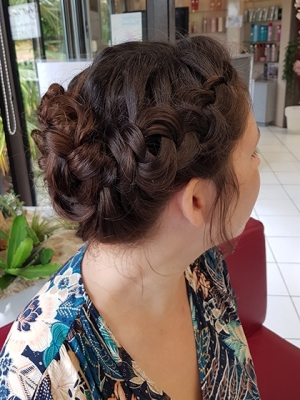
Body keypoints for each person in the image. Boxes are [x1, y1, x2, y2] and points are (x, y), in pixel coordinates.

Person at [0, 36, 261, 399]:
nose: (259, 163)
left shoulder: (200, 262)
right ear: (197, 201)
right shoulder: (42, 376)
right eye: (252, 152)